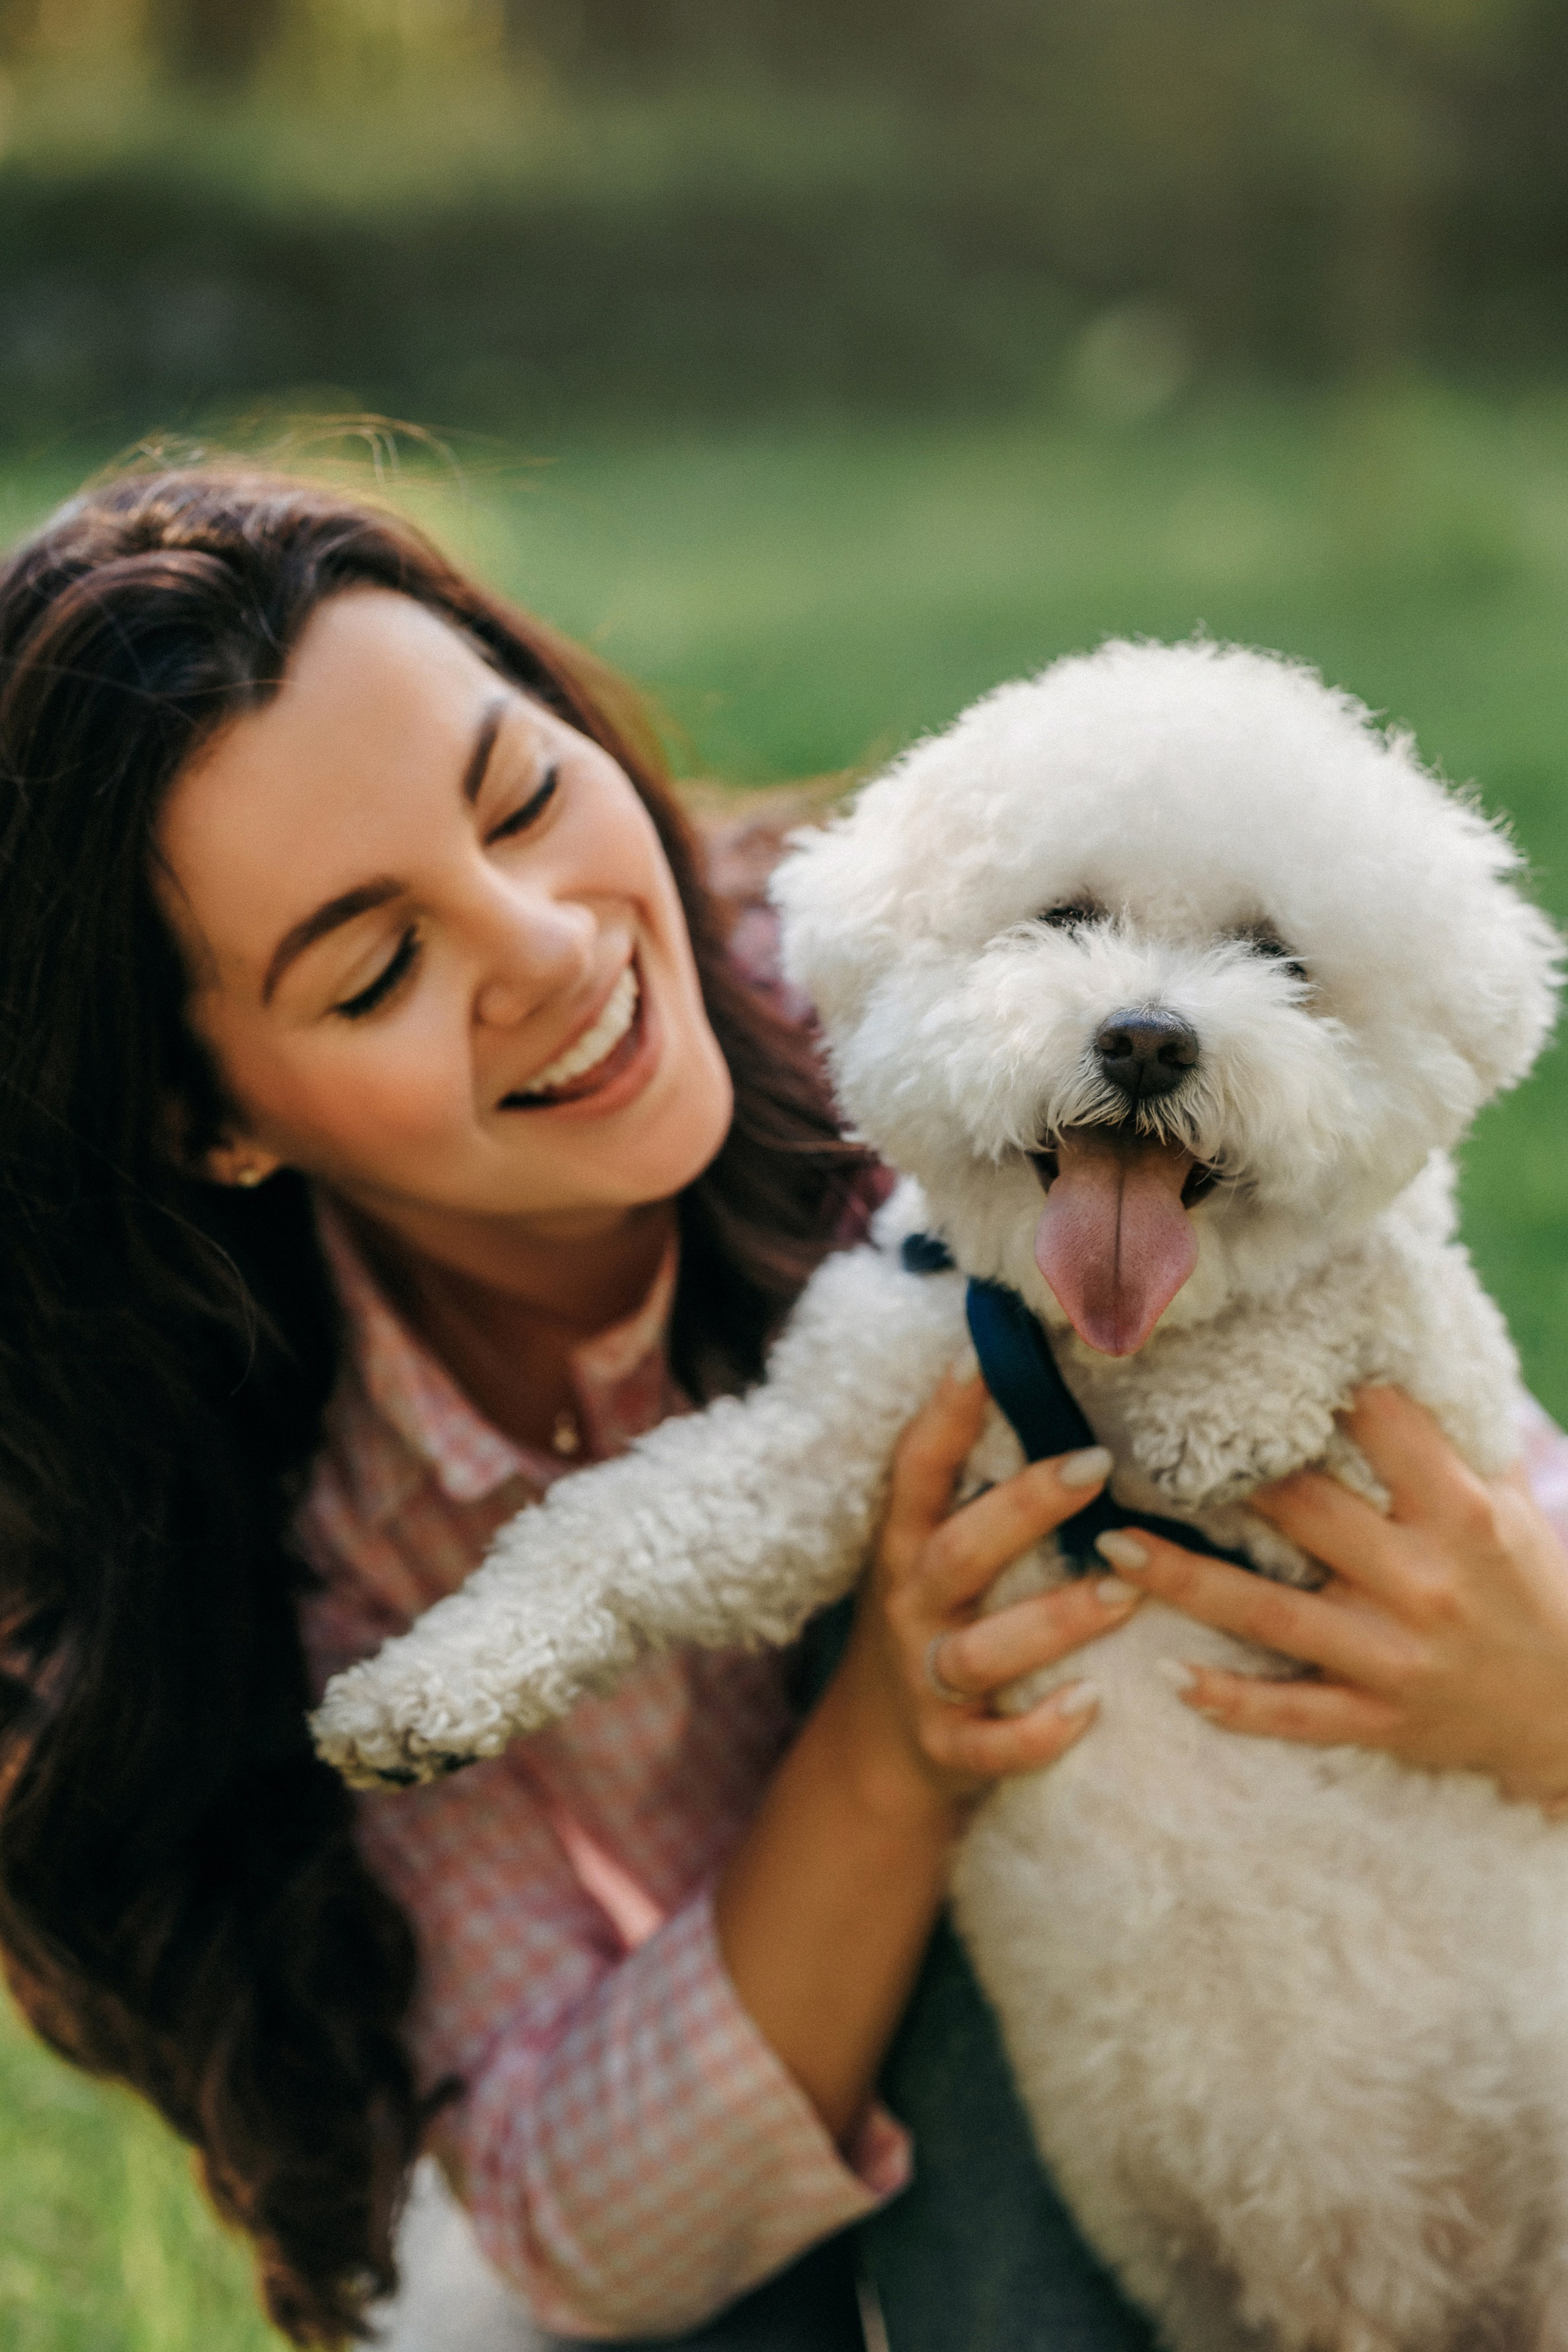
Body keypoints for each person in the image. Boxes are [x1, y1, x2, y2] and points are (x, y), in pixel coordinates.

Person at [0, 462, 1565, 2352]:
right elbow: (577, 2230)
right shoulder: (319, 1513)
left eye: (519, 798)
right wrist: (894, 1751)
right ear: (209, 1117)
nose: (550, 950)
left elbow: (1483, 1492)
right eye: (381, 964)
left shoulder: (942, 1059)